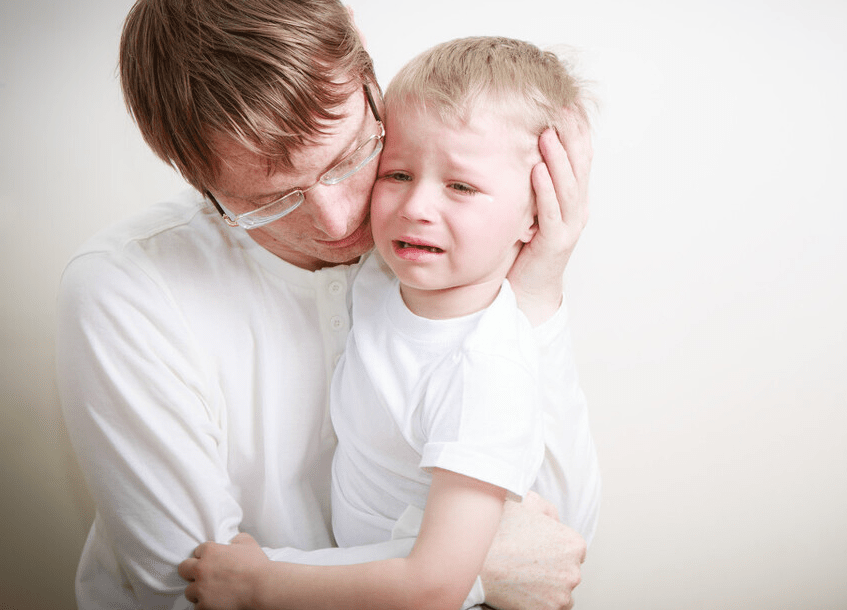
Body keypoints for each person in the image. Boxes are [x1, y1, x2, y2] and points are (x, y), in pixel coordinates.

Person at [56, 0, 592, 610]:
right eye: (270, 199)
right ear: (194, 178)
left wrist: (535, 296)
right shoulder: (126, 291)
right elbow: (190, 590)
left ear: (366, 68)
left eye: (350, 158)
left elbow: (555, 548)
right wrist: (470, 572)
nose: (340, 218)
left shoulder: (432, 242)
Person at [179, 36, 601, 610]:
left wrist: (260, 585)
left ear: (538, 213)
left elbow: (435, 586)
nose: (416, 206)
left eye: (461, 186)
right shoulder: (383, 276)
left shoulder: (484, 371)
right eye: (397, 174)